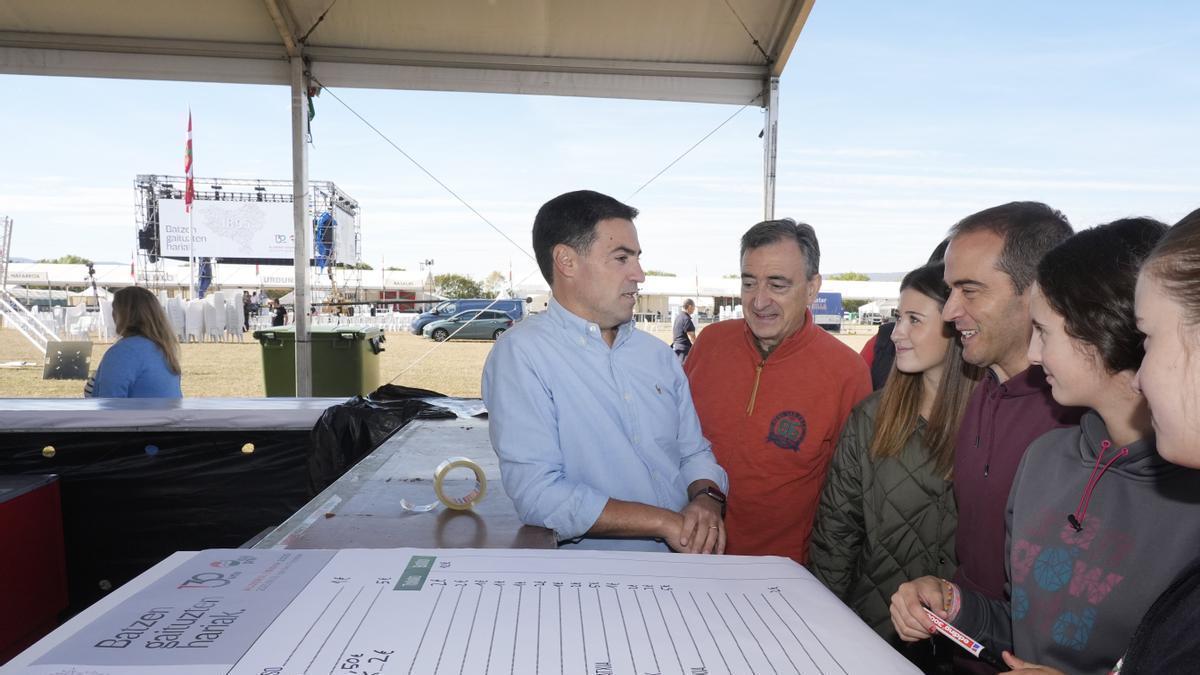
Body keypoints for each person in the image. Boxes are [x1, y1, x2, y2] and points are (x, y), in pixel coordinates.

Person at [891, 218, 1200, 674]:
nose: (1033, 355)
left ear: (1101, 329)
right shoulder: (1045, 457)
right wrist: (956, 606)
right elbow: (1023, 631)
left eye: (1045, 332)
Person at [482, 190, 728, 553]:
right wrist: (664, 521)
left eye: (637, 258)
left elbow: (693, 452)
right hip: (594, 584)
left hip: (683, 571)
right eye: (621, 258)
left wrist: (706, 499)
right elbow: (539, 495)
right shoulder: (523, 356)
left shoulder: (656, 355)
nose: (639, 275)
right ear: (566, 261)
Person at [808, 263, 982, 653]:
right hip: (874, 634)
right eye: (898, 317)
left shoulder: (996, 424)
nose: (896, 333)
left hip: (967, 645)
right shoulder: (870, 418)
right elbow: (836, 534)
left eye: (914, 320)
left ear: (955, 327)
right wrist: (820, 625)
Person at [684, 219, 871, 563]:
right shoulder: (710, 343)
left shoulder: (847, 372)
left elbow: (851, 499)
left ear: (812, 288)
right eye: (749, 282)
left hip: (782, 576)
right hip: (688, 557)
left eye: (777, 285)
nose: (758, 301)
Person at [937, 203, 1082, 622]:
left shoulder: (1079, 418)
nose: (949, 311)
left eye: (970, 290)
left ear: (1035, 291)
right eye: (950, 290)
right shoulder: (974, 388)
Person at [92, 286, 182, 398]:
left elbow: (109, 404)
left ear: (123, 314)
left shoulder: (124, 352)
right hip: (164, 415)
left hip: (138, 415)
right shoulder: (163, 349)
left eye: (114, 309)